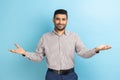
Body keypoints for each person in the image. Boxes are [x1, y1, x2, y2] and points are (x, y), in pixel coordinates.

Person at [9, 9, 112, 80]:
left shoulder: (74, 36)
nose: (60, 22)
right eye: (57, 19)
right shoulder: (45, 37)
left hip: (70, 76)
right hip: (51, 76)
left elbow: (83, 53)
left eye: (63, 19)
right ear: (53, 20)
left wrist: (95, 49)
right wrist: (24, 53)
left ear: (67, 21)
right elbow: (38, 57)